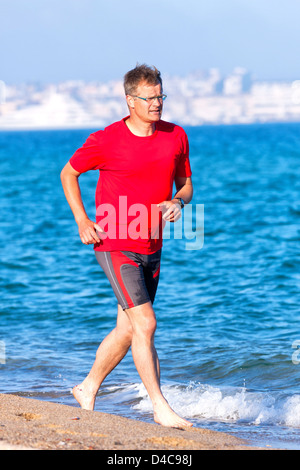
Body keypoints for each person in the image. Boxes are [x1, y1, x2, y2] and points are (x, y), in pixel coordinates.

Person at [60, 64, 193, 428]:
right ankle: (160, 406)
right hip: (115, 243)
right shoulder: (106, 140)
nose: (157, 104)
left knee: (128, 328)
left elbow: (186, 186)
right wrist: (82, 221)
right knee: (146, 323)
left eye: (160, 96)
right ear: (130, 100)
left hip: (152, 246)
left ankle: (87, 387)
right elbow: (68, 173)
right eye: (149, 98)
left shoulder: (175, 136)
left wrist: (177, 203)